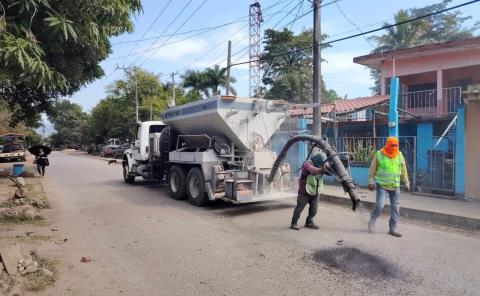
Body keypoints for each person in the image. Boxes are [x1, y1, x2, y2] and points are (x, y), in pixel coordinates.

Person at [368, 137, 410, 237]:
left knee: (395, 208)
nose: (394, 147)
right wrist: (371, 182)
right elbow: (372, 169)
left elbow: (403, 170)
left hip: (395, 186)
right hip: (382, 185)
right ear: (387, 144)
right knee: (380, 206)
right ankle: (371, 222)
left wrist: (406, 183)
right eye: (392, 145)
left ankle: (393, 229)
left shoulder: (399, 155)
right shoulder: (379, 154)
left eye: (396, 145)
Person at [291, 152, 329, 230]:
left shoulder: (324, 164)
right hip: (304, 191)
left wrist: (343, 164)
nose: (322, 165)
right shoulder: (307, 164)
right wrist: (322, 169)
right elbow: (312, 170)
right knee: (299, 208)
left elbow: (330, 172)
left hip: (315, 190)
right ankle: (294, 223)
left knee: (314, 210)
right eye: (321, 164)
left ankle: (309, 222)